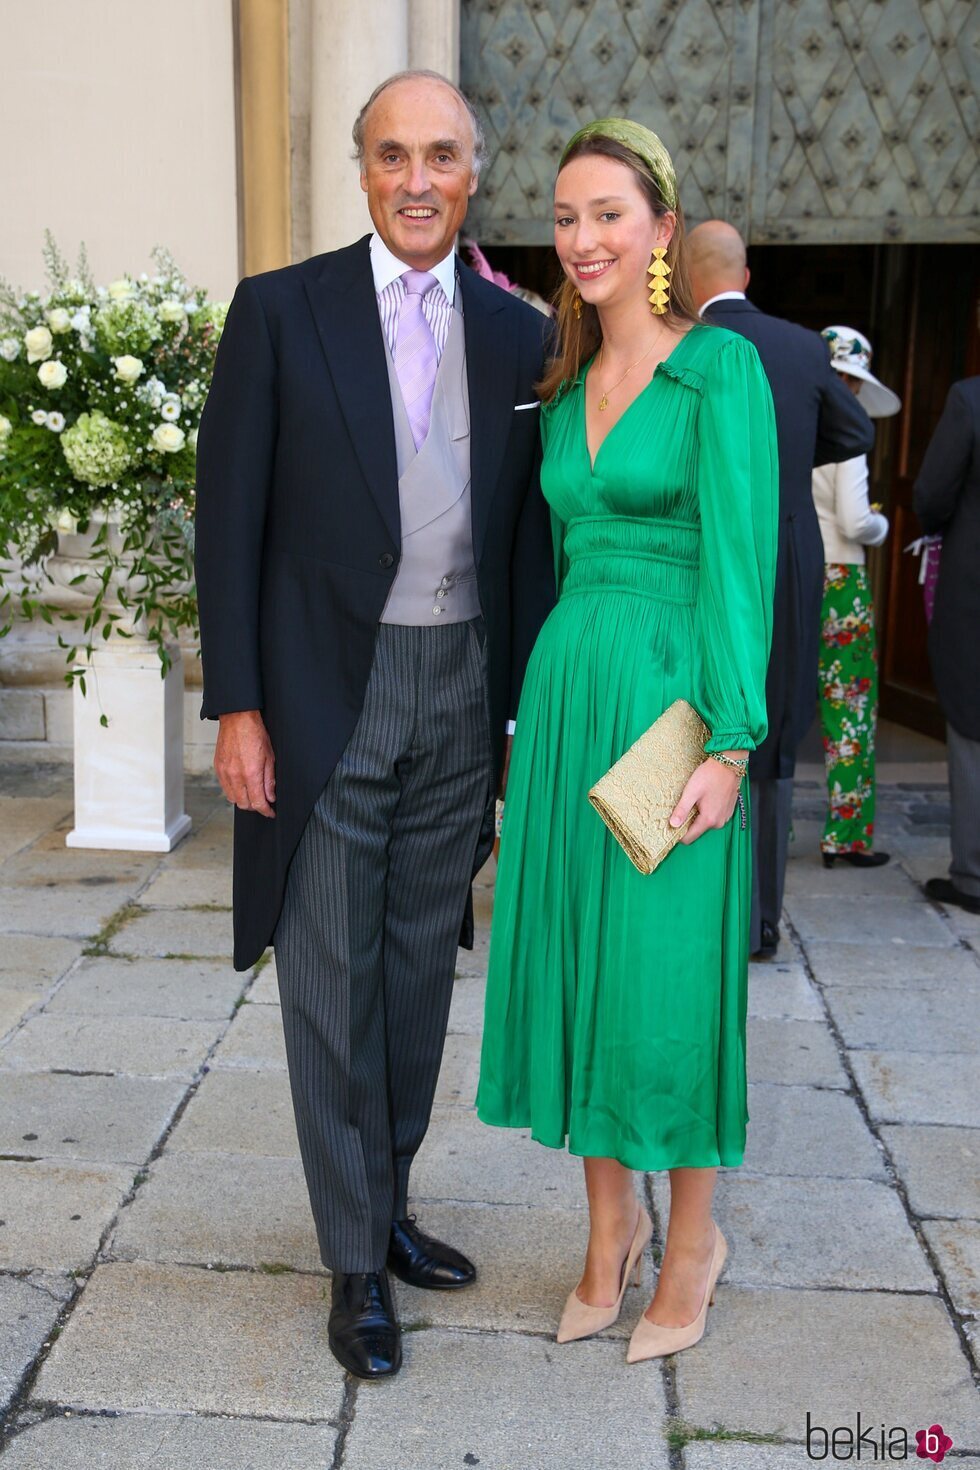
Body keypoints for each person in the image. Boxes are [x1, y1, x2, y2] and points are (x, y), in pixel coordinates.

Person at [194, 69, 554, 1379]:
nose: (417, 178)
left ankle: (386, 1201)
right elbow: (226, 516)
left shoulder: (521, 338)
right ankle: (353, 1265)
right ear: (363, 171)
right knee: (330, 982)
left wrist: (522, 712)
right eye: (394, 154)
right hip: (322, 694)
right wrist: (237, 700)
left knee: (413, 976)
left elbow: (528, 538)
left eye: (441, 155)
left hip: (461, 688)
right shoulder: (282, 312)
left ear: (473, 173)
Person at [477, 118, 778, 1363]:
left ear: (660, 231)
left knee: (663, 980)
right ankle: (607, 1236)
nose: (583, 237)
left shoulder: (720, 374)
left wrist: (727, 742)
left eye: (608, 213)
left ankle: (692, 1238)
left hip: (672, 710)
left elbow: (739, 568)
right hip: (566, 705)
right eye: (563, 216)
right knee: (579, 968)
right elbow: (553, 562)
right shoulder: (555, 390)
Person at [686, 221, 874, 957]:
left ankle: (702, 898)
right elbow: (855, 431)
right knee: (772, 718)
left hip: (702, 546)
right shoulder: (802, 348)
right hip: (786, 549)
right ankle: (763, 919)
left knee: (701, 713)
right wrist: (789, 464)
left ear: (687, 277)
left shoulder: (684, 347)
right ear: (746, 274)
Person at [813, 326, 901, 868]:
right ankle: (844, 836)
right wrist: (883, 526)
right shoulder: (849, 433)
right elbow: (854, 518)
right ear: (850, 380)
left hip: (796, 568)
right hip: (842, 577)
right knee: (849, 709)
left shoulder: (793, 418)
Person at [914, 376, 980, 915]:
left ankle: (975, 875)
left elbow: (932, 495)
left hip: (975, 588)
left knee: (972, 727)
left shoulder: (970, 398)